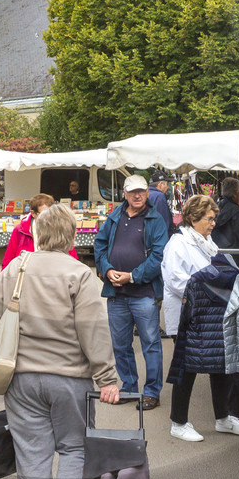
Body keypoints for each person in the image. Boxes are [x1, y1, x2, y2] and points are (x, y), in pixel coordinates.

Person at [0, 203, 120, 479]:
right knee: (75, 448)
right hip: (70, 378)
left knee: (32, 453)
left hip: (22, 377)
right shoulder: (80, 274)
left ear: (36, 233)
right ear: (73, 236)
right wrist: (107, 377)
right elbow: (93, 330)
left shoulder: (15, 268)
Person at [161, 195, 239, 441]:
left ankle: (223, 418)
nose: (213, 224)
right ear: (193, 219)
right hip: (188, 316)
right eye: (209, 219)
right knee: (186, 368)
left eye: (213, 219)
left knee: (220, 365)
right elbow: (176, 281)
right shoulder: (178, 244)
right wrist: (211, 287)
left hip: (209, 316)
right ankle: (178, 423)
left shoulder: (206, 242)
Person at [92, 174, 169, 409]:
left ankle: (151, 392)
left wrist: (133, 276)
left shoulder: (155, 219)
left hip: (144, 293)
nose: (138, 195)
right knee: (120, 344)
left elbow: (159, 256)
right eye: (133, 192)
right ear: (124, 194)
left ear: (148, 193)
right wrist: (106, 270)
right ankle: (129, 387)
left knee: (151, 343)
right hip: (117, 294)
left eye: (142, 191)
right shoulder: (115, 217)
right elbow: (100, 245)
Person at [1, 193, 78, 266]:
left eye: (51, 213)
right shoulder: (20, 230)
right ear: (33, 213)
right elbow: (8, 260)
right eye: (43, 214)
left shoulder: (61, 229)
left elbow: (73, 260)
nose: (48, 217)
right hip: (28, 273)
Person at [212, 177, 239, 250]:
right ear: (235, 194)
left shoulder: (217, 206)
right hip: (236, 254)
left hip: (219, 251)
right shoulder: (236, 211)